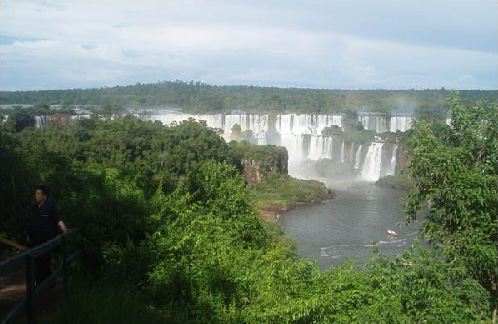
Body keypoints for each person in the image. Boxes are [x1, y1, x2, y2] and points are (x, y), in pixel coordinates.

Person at [27, 185, 69, 286]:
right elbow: (31, 222)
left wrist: (65, 230)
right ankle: (40, 284)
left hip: (46, 240)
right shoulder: (34, 207)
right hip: (34, 240)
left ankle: (47, 283)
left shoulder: (50, 207)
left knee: (45, 262)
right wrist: (28, 234)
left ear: (44, 196)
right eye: (35, 193)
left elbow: (58, 220)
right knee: (36, 262)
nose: (36, 195)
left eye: (38, 194)